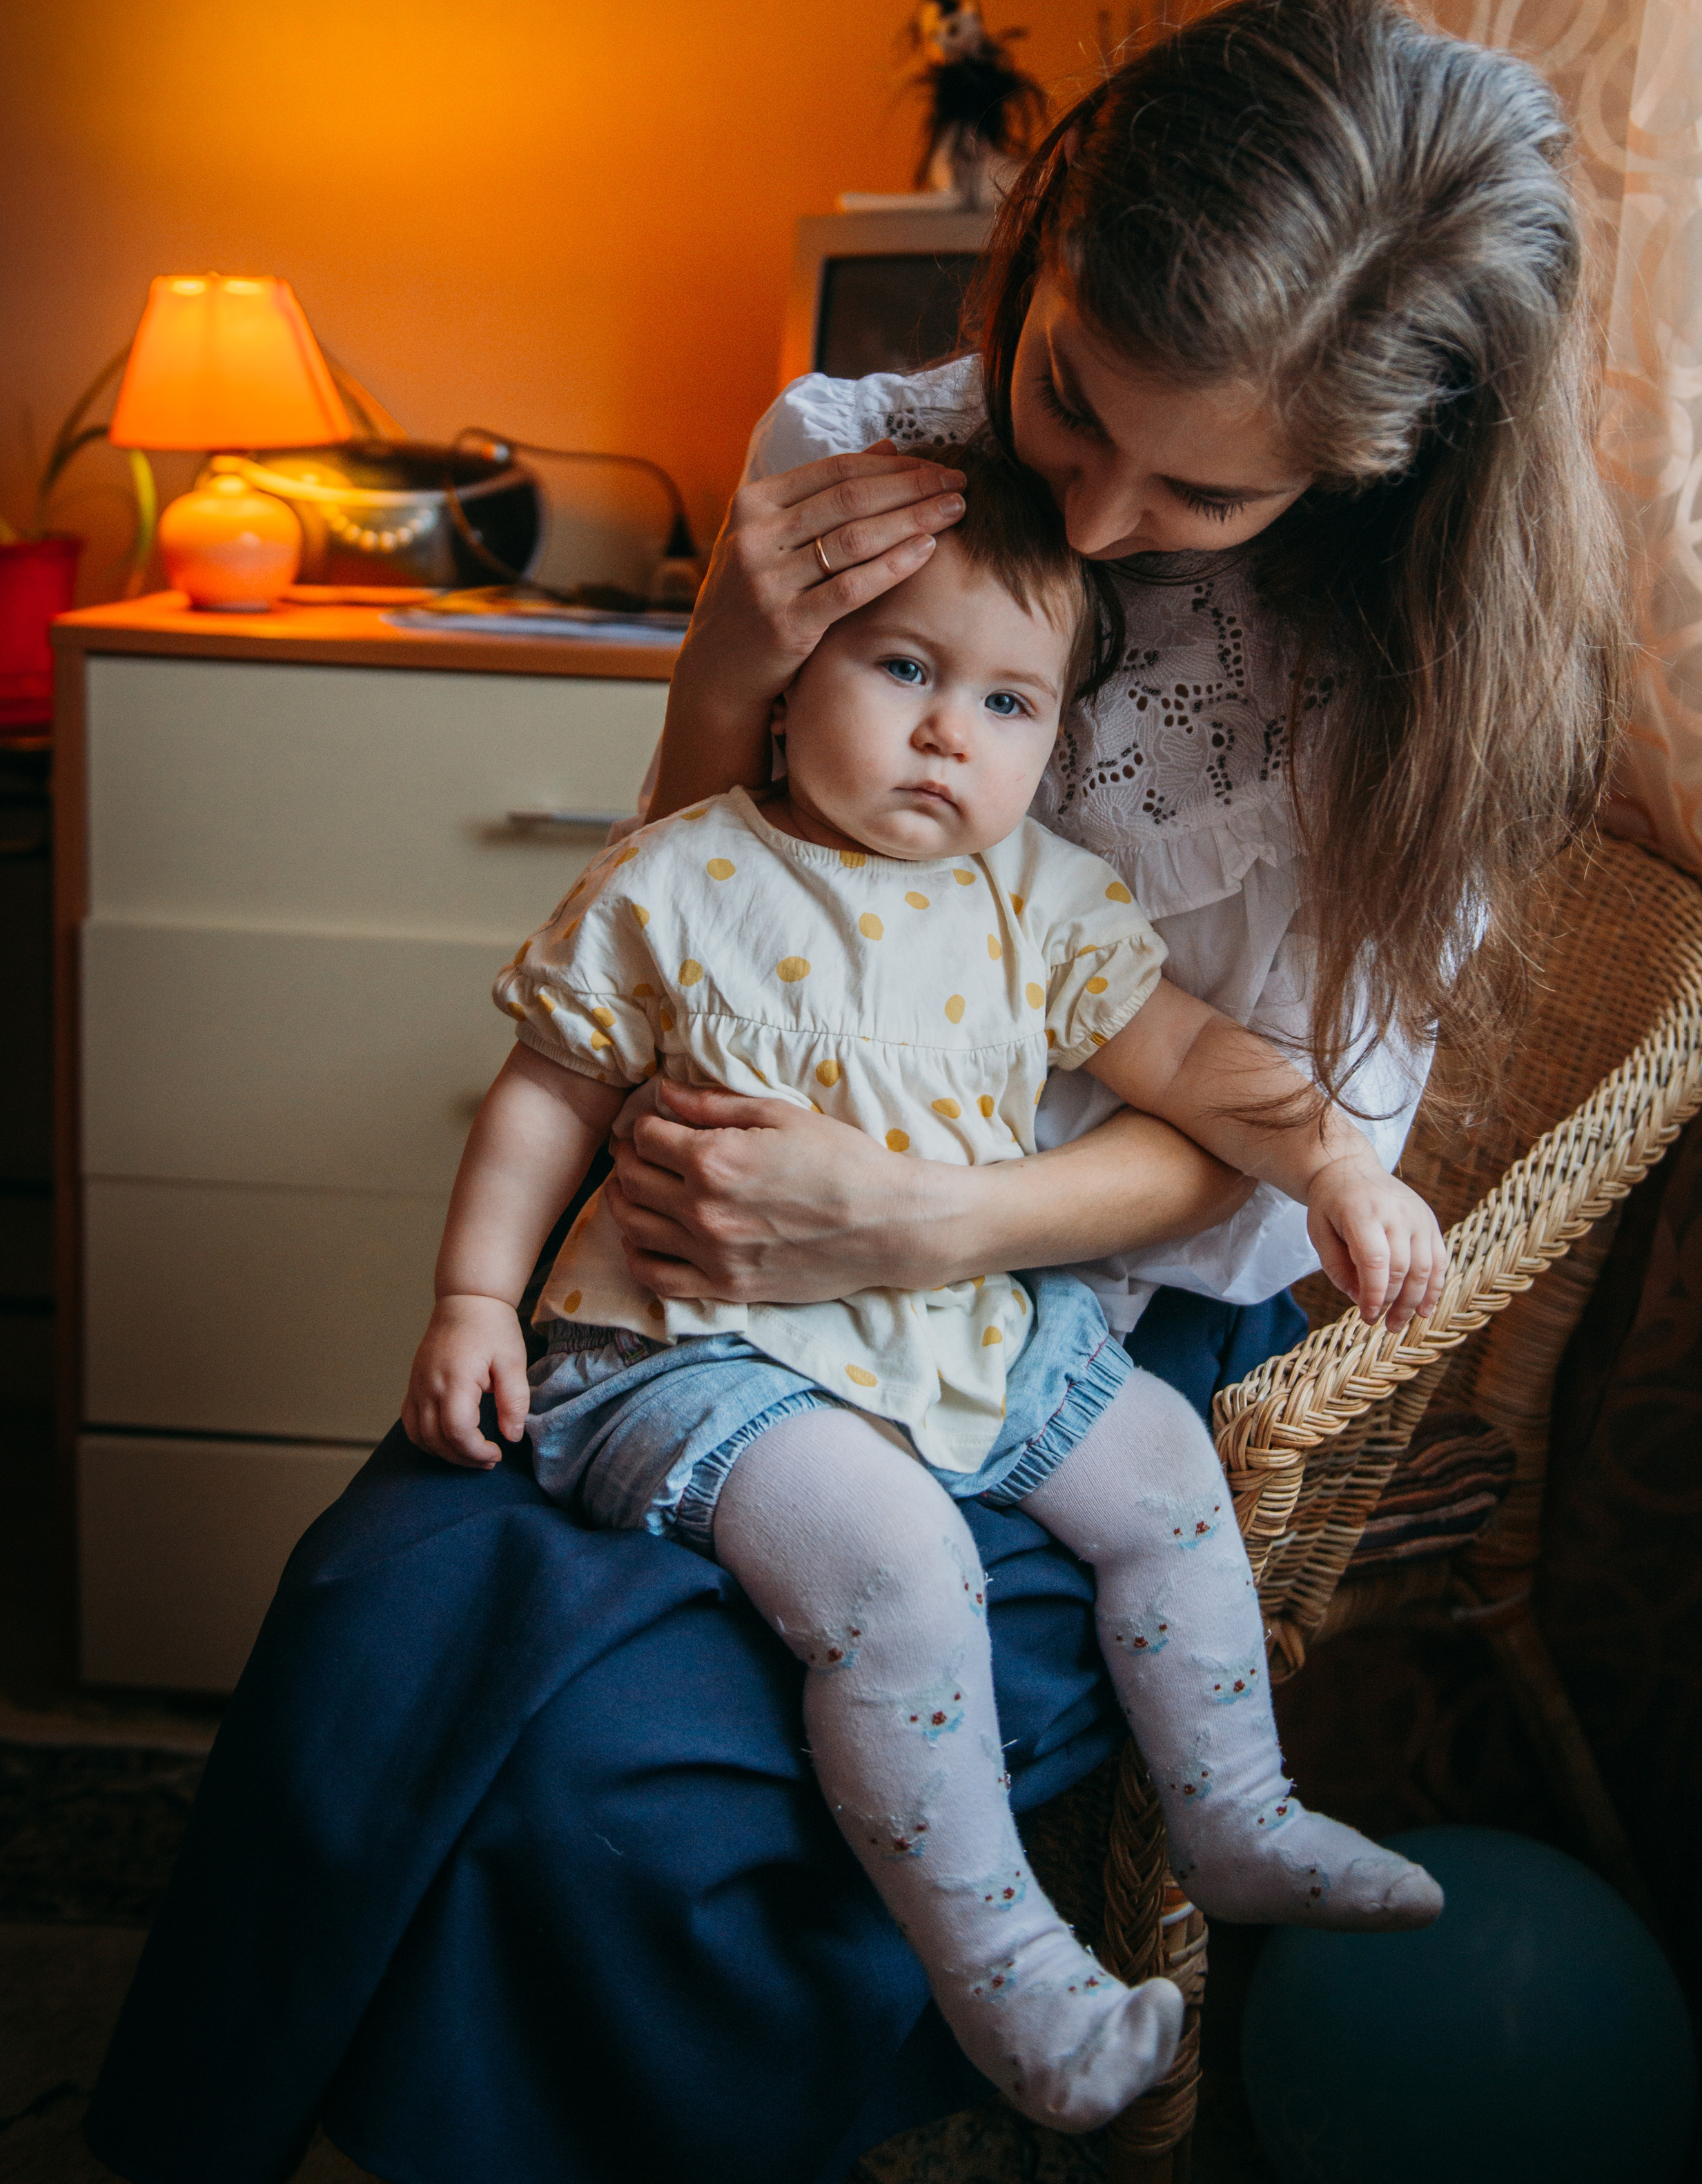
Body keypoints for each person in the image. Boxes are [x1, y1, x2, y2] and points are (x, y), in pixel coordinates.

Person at [86, 0, 1627, 2184]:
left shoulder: (1409, 675)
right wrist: (732, 649)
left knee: (628, 1793)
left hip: (1101, 1301)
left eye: (1204, 487)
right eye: (1069, 397)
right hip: (709, 1290)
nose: (1096, 516)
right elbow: (692, 914)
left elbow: (1264, 1117)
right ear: (1055, 229)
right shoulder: (857, 447)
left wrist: (928, 1222)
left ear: (1374, 469)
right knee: (382, 1630)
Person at [401, 442, 1449, 2134]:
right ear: (792, 679)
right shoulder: (681, 875)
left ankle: (1236, 1815)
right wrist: (470, 1297)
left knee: (1164, 1470)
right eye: (902, 670)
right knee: (897, 1569)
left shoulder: (1041, 901)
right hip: (695, 1349)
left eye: (1008, 703)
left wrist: (1336, 1165)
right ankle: (1008, 1982)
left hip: (952, 1319)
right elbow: (547, 1093)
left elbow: (1193, 1058)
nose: (950, 732)